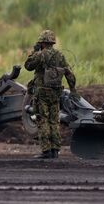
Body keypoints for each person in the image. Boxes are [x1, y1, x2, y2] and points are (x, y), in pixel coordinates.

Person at [24, 29, 77, 159]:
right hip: (55, 92)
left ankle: (46, 150)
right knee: (54, 120)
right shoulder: (60, 56)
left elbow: (28, 66)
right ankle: (55, 150)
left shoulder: (40, 55)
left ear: (41, 42)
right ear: (53, 42)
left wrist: (34, 52)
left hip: (42, 93)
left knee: (43, 120)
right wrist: (73, 89)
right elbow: (69, 74)